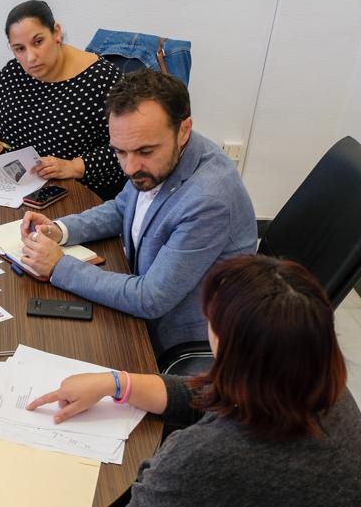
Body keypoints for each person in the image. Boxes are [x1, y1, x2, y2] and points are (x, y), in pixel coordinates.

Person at [11, 255, 361, 507]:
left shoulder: (210, 456)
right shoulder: (314, 383)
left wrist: (148, 480)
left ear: (230, 347)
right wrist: (118, 383)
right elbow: (214, 394)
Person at [19, 69, 256, 358]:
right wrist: (61, 229)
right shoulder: (162, 154)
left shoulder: (209, 199)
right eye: (120, 152)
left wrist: (59, 266)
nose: (130, 168)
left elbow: (149, 298)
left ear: (183, 130)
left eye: (144, 151)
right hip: (141, 303)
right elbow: (123, 207)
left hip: (180, 342)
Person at [0, 0, 127, 200]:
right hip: (14, 193)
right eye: (19, 49)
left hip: (80, 199)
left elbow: (130, 149)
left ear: (56, 33)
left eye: (38, 42)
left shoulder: (102, 79)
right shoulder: (12, 73)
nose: (31, 57)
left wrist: (74, 166)